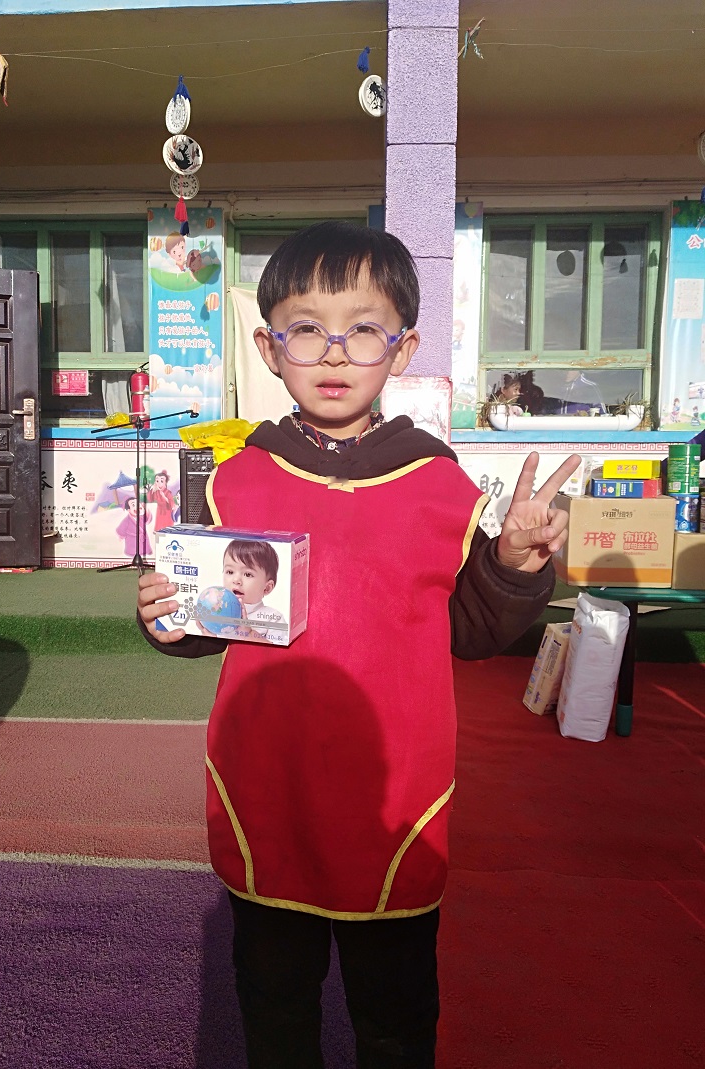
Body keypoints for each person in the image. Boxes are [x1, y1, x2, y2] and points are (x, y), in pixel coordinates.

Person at [136, 221, 579, 1069]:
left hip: (395, 798)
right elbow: (212, 612)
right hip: (268, 786)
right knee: (274, 1004)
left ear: (401, 348)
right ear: (270, 348)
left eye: (363, 328)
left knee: (396, 1018)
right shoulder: (235, 477)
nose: (334, 352)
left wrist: (514, 563)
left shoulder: (439, 485)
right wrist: (168, 615)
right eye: (307, 328)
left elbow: (472, 629)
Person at [221, 539, 287, 642]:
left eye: (248, 574)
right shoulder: (218, 610)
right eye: (230, 572)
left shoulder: (273, 618)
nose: (236, 580)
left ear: (267, 588)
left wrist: (249, 634)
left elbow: (278, 650)